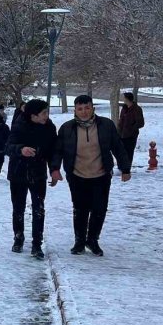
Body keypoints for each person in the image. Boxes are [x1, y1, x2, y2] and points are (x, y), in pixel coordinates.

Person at [51, 95, 131, 257]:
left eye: (87, 108)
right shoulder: (67, 129)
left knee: (99, 209)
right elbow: (58, 150)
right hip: (77, 174)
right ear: (75, 110)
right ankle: (79, 241)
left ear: (93, 108)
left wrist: (125, 168)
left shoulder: (106, 125)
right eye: (80, 109)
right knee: (80, 209)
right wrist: (55, 169)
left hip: (101, 174)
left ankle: (92, 240)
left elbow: (118, 147)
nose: (84, 112)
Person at [4, 99, 58, 258]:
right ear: (33, 116)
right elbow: (7, 147)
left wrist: (54, 169)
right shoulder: (19, 124)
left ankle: (37, 244)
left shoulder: (49, 127)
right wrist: (21, 149)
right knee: (18, 208)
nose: (46, 116)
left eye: (47, 112)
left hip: (38, 173)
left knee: (38, 209)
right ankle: (18, 237)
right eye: (43, 113)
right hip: (18, 172)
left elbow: (53, 151)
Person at [118, 92, 144, 168]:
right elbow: (121, 120)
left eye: (124, 98)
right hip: (121, 134)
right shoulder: (124, 108)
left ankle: (127, 168)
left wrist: (131, 129)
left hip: (131, 135)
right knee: (121, 152)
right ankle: (120, 167)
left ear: (128, 99)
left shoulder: (137, 109)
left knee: (129, 152)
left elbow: (140, 123)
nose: (123, 100)